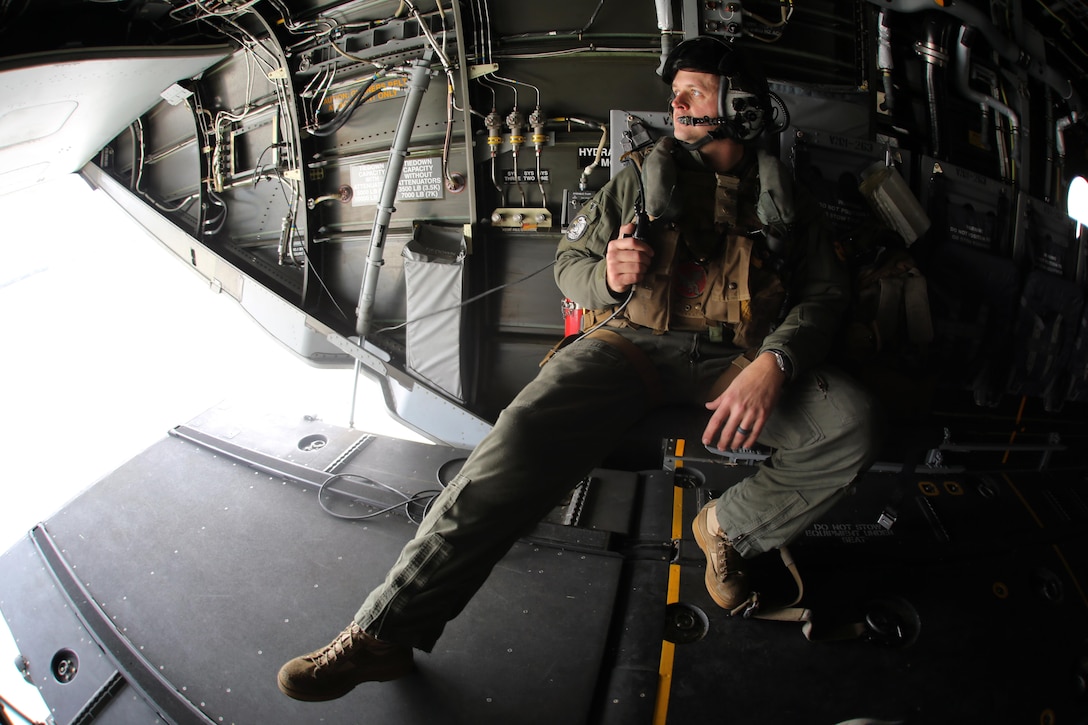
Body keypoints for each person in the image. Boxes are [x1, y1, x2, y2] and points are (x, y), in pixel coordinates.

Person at [277, 35, 880, 702]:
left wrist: (776, 359)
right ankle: (384, 631)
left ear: (739, 105)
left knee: (850, 424)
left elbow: (826, 295)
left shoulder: (789, 200)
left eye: (695, 91)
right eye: (675, 90)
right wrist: (610, 277)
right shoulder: (636, 178)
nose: (676, 102)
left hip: (737, 359)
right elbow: (571, 267)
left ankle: (726, 527)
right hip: (631, 345)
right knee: (516, 439)